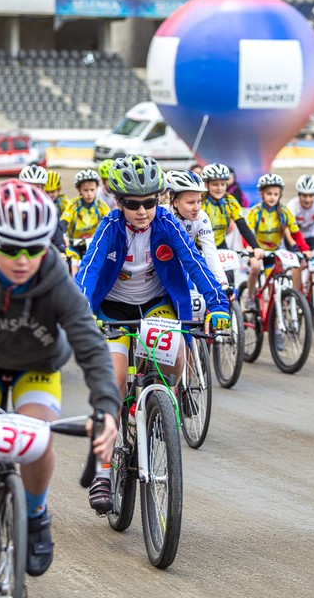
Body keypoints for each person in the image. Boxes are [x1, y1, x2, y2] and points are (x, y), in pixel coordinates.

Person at [0, 180, 120, 596]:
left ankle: (36, 511)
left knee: (37, 440)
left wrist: (108, 409)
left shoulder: (56, 275)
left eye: (35, 248)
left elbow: (92, 347)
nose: (24, 259)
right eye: (12, 249)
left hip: (38, 367)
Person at [75, 155, 230, 510]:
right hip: (112, 310)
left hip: (156, 306)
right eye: (133, 204)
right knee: (112, 383)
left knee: (176, 360)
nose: (142, 211)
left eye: (150, 202)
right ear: (119, 202)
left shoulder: (168, 224)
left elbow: (195, 264)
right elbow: (87, 272)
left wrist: (218, 306)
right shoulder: (109, 227)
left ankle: (149, 406)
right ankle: (102, 473)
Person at [245, 173, 312, 306]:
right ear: (262, 194)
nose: (272, 197)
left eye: (276, 194)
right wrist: (250, 247)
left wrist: (305, 250)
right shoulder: (255, 212)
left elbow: (296, 234)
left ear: (280, 195)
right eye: (269, 193)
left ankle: (275, 315)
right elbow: (246, 233)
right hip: (257, 250)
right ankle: (249, 297)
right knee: (255, 267)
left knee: (275, 285)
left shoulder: (285, 212)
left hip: (274, 252)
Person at [165, 169, 228, 289]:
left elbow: (210, 253)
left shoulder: (202, 217)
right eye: (191, 203)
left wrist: (222, 282)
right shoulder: (161, 214)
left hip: (187, 263)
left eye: (199, 201)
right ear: (175, 202)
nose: (197, 208)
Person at [200, 163, 262, 256]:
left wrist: (256, 246)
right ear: (206, 184)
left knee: (229, 270)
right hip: (199, 246)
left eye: (223, 184)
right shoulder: (200, 202)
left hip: (220, 244)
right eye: (215, 184)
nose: (219, 188)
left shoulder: (231, 201)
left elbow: (242, 226)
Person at [60, 169, 110, 265]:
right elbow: (63, 222)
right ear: (79, 190)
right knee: (73, 261)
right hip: (73, 244)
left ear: (97, 188)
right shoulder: (73, 205)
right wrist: (62, 236)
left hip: (92, 244)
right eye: (85, 190)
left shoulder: (101, 205)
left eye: (92, 190)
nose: (89, 194)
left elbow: (111, 223)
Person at [287, 174, 314, 250]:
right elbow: (286, 229)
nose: (307, 200)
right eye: (304, 196)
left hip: (310, 236)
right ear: (299, 195)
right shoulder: (292, 205)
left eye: (311, 196)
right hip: (293, 237)